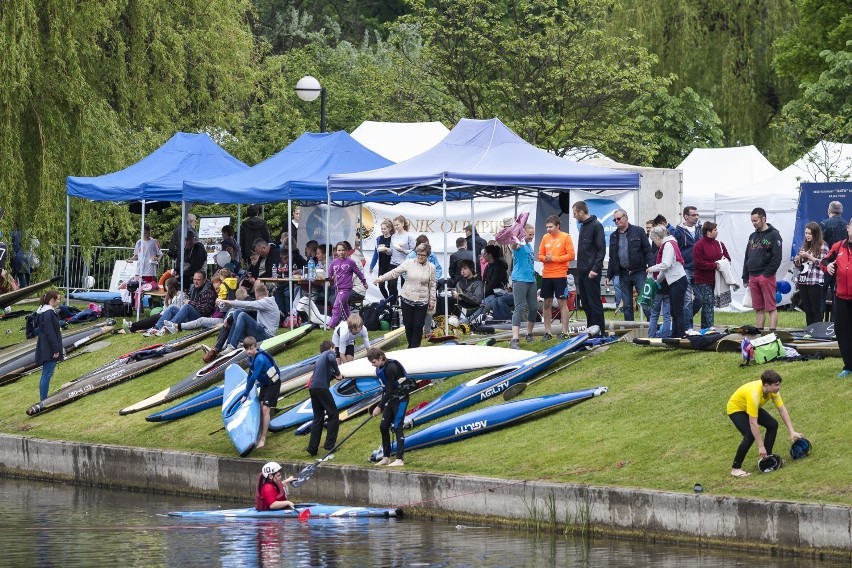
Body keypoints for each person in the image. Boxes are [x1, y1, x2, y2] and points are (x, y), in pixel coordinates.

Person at [726, 370, 803, 478]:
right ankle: (735, 468)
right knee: (749, 436)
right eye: (776, 385)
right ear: (766, 385)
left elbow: (782, 410)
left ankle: (767, 458)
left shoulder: (772, 391)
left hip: (749, 407)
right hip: (736, 408)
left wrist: (792, 431)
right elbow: (753, 423)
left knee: (772, 424)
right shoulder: (754, 395)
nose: (779, 387)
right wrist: (761, 446)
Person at [374, 243, 436, 348]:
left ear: (428, 256)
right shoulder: (408, 263)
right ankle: (410, 344)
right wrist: (381, 278)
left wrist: (432, 300)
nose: (420, 257)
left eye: (423, 255)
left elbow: (433, 284)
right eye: (418, 254)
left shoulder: (431, 267)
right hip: (407, 298)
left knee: (418, 325)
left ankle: (414, 348)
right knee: (408, 325)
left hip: (422, 300)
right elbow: (394, 272)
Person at [205, 281, 279, 361]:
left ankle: (232, 346)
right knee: (237, 312)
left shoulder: (266, 302)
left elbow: (248, 304)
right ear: (266, 293)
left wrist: (228, 302)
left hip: (267, 336)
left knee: (242, 315)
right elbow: (245, 308)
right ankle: (229, 345)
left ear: (256, 295)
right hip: (261, 331)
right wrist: (230, 318)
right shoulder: (267, 301)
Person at [605, 209, 653, 321]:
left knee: (645, 301)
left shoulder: (639, 231)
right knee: (626, 305)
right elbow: (612, 258)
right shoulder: (613, 236)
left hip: (639, 272)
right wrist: (608, 276)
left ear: (626, 217)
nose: (616, 221)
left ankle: (652, 327)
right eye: (614, 219)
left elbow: (648, 251)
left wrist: (651, 267)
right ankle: (629, 329)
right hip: (623, 274)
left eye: (619, 218)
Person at [369, 347, 412, 467]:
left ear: (381, 358)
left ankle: (399, 459)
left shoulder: (391, 368)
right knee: (383, 427)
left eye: (374, 362)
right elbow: (385, 390)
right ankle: (386, 457)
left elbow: (389, 389)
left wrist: (379, 407)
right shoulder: (380, 367)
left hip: (401, 399)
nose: (373, 365)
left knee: (397, 426)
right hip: (390, 399)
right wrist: (381, 405)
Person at [743, 207, 783, 330]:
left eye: (755, 220)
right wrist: (745, 276)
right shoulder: (752, 236)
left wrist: (767, 274)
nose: (754, 223)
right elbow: (747, 256)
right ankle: (759, 332)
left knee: (770, 307)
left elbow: (777, 257)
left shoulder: (774, 234)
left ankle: (772, 333)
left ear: (763, 218)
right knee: (758, 308)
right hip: (752, 275)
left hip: (766, 275)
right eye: (752, 221)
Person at [820, 221, 852, 377]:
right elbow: (824, 261)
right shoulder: (839, 246)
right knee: (843, 331)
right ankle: (848, 366)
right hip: (840, 297)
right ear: (848, 228)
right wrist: (828, 267)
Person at [537, 215, 575, 341]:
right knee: (546, 303)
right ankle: (547, 332)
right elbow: (540, 255)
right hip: (547, 275)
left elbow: (571, 255)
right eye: (547, 227)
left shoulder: (566, 237)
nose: (548, 229)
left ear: (558, 226)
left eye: (550, 227)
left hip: (560, 275)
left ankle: (565, 331)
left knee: (562, 303)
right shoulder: (545, 237)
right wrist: (545, 259)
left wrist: (554, 259)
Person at [239, 336, 281, 449]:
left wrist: (245, 394)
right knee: (261, 408)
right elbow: (249, 376)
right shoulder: (250, 358)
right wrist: (245, 393)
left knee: (265, 409)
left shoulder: (260, 359)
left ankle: (263, 438)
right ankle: (259, 434)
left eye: (251, 348)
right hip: (265, 385)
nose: (249, 351)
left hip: (273, 384)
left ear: (256, 346)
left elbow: (253, 378)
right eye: (247, 349)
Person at [647, 225, 688, 338]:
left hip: (678, 281)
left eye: (654, 240)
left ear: (658, 237)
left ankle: (681, 335)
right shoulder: (669, 244)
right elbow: (665, 271)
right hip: (675, 281)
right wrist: (657, 282)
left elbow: (666, 265)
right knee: (673, 311)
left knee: (678, 310)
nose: (655, 243)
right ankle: (675, 334)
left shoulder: (668, 245)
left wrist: (652, 268)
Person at [146, 271, 216, 336]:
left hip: (201, 318)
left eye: (198, 280)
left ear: (204, 280)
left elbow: (206, 309)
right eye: (194, 279)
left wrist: (190, 302)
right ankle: (156, 328)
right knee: (172, 307)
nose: (195, 282)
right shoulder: (194, 288)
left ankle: (168, 328)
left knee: (187, 307)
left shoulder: (208, 291)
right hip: (192, 316)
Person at [572, 202, 606, 330]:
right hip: (582, 270)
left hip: (591, 272)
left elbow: (601, 250)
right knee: (585, 303)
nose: (574, 216)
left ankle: (600, 330)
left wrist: (595, 269)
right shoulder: (583, 226)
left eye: (575, 213)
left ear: (581, 212)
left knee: (594, 303)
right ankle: (591, 329)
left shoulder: (596, 226)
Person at [692, 221, 732, 329]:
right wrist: (714, 265)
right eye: (715, 230)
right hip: (702, 279)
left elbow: (728, 258)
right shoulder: (699, 245)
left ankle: (705, 327)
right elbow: (698, 263)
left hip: (716, 279)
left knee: (709, 304)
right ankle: (709, 327)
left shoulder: (720, 244)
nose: (717, 232)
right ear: (708, 232)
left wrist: (723, 263)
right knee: (708, 302)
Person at [306, 340, 341, 457]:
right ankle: (329, 445)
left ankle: (312, 448)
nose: (335, 352)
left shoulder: (319, 360)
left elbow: (326, 375)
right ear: (331, 347)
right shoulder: (328, 353)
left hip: (313, 388)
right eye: (334, 349)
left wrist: (336, 375)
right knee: (333, 414)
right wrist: (338, 372)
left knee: (318, 417)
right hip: (321, 388)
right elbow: (332, 359)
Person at [794, 222, 829, 326]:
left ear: (816, 234)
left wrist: (809, 256)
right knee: (807, 308)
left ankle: (818, 330)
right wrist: (798, 260)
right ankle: (810, 330)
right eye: (806, 233)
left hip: (815, 280)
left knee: (816, 308)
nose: (807, 236)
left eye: (810, 233)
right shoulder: (805, 245)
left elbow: (823, 263)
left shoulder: (823, 245)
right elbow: (799, 266)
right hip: (804, 280)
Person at [673, 206, 702, 329]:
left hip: (699, 269)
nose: (696, 217)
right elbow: (675, 250)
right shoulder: (678, 231)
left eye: (697, 215)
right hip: (685, 269)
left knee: (700, 299)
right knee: (687, 300)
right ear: (686, 216)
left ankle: (686, 321)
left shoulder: (700, 230)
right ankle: (688, 327)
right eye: (693, 215)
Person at [328, 241, 368, 328]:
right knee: (345, 307)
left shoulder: (350, 262)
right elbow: (329, 273)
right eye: (339, 250)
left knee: (337, 305)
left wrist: (364, 282)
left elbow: (359, 273)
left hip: (346, 289)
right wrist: (328, 280)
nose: (341, 252)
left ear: (346, 251)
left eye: (343, 250)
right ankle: (350, 323)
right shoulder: (334, 262)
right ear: (336, 251)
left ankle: (331, 325)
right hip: (337, 288)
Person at [510, 224, 537, 349]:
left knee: (533, 307)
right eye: (530, 234)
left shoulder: (529, 245)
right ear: (523, 233)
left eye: (533, 234)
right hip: (520, 279)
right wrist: (516, 237)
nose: (532, 237)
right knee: (519, 308)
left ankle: (529, 333)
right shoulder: (518, 244)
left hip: (531, 279)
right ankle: (514, 338)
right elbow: (514, 246)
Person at [35, 290, 64, 401]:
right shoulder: (48, 313)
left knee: (47, 373)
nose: (59, 301)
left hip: (44, 344)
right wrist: (55, 350)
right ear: (52, 300)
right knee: (47, 373)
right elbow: (50, 332)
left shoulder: (42, 311)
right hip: (48, 347)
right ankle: (43, 399)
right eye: (58, 299)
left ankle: (44, 398)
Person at [820, 201, 846, 321]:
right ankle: (834, 325)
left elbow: (817, 244)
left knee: (821, 295)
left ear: (829, 211)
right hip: (841, 265)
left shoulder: (824, 224)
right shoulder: (847, 226)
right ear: (841, 211)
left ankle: (819, 324)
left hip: (825, 264)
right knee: (837, 296)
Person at [648, 215, 672, 338]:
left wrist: (655, 278)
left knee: (654, 314)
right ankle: (666, 336)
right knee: (667, 314)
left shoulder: (660, 250)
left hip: (658, 285)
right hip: (668, 285)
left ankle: (651, 336)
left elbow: (662, 267)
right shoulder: (668, 246)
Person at [387, 216, 417, 301]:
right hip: (394, 263)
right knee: (391, 285)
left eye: (397, 225)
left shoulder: (409, 236)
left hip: (405, 264)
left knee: (405, 286)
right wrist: (386, 251)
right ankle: (393, 305)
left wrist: (403, 251)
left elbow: (413, 251)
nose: (396, 227)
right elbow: (391, 251)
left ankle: (404, 304)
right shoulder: (393, 236)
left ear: (403, 224)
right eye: (394, 225)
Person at [482, 244, 513, 321]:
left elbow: (492, 284)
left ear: (490, 255)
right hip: (491, 294)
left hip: (496, 294)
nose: (483, 255)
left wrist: (482, 295)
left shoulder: (498, 267)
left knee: (482, 307)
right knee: (481, 305)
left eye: (485, 253)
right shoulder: (489, 266)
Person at [370, 220, 395, 299]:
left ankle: (393, 302)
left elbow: (395, 252)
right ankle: (387, 299)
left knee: (391, 286)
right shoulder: (379, 239)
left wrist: (387, 250)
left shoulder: (393, 238)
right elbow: (375, 253)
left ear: (390, 229)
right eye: (382, 229)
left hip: (391, 265)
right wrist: (371, 266)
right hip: (382, 265)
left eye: (385, 229)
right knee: (381, 285)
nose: (383, 230)